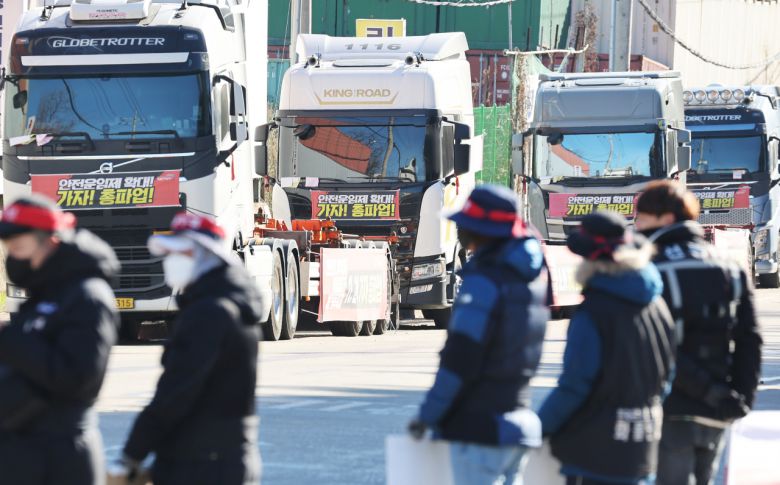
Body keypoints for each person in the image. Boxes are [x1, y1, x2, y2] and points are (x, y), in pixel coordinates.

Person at [408, 184, 551, 485]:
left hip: (480, 429)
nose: (462, 232)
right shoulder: (530, 276)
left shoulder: (485, 281)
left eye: (466, 226)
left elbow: (461, 358)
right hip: (518, 421)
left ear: (483, 231)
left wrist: (428, 415)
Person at [121, 212, 267, 485]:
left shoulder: (208, 313)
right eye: (170, 254)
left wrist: (132, 454)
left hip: (202, 466)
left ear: (206, 256)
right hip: (223, 458)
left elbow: (176, 391)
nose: (172, 262)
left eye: (182, 254)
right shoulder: (230, 305)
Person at [634, 180, 762, 485]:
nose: (635, 225)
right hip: (721, 406)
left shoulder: (651, 268)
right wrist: (739, 397)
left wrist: (706, 390)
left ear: (666, 219)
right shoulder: (730, 266)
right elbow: (750, 339)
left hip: (671, 407)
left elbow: (654, 346)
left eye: (641, 217)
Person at [538, 210, 676, 485]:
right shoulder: (657, 304)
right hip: (643, 445)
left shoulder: (594, 311)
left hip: (595, 453)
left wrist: (539, 426)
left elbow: (576, 385)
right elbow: (667, 378)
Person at [0, 195, 120, 485]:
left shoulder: (86, 296)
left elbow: (77, 378)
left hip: (59, 457)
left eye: (19, 247)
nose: (13, 257)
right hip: (22, 451)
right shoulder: (46, 293)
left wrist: (8, 338)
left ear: (51, 241)